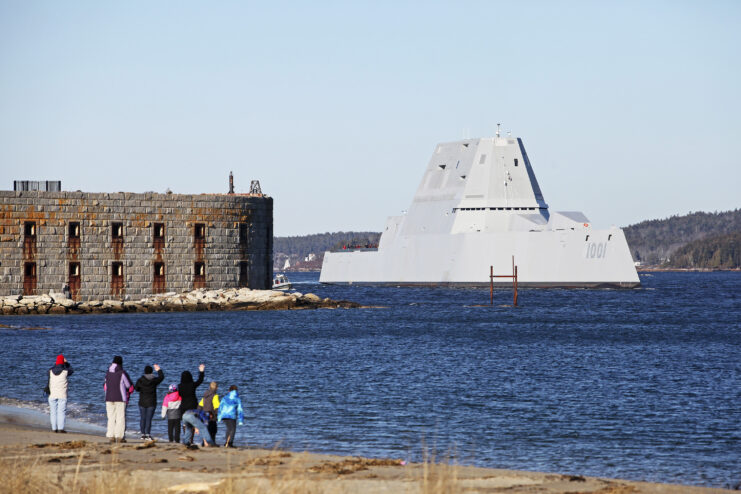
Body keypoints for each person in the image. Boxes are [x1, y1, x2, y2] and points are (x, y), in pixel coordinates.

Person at [178, 364, 215, 447]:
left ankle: (187, 440)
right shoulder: (192, 385)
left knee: (186, 424)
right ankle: (191, 440)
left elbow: (179, 395)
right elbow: (200, 380)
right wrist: (201, 371)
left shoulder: (179, 386)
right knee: (194, 423)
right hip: (192, 406)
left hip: (183, 406)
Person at [104, 355, 133, 443]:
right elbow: (129, 385)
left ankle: (111, 436)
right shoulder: (122, 373)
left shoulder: (107, 373)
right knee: (120, 417)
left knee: (111, 417)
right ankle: (119, 437)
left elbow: (105, 386)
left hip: (108, 397)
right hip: (120, 398)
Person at [134, 364, 164, 440]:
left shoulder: (140, 380)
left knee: (143, 418)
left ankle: (143, 434)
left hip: (142, 401)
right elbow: (162, 377)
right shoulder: (154, 380)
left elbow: (136, 389)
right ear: (151, 372)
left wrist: (142, 389)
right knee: (148, 419)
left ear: (145, 372)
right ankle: (147, 434)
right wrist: (159, 370)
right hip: (151, 402)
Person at [47, 354, 73, 433]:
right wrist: (67, 363)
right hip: (62, 394)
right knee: (61, 411)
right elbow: (71, 370)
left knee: (53, 411)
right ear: (62, 362)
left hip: (52, 394)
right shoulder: (65, 371)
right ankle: (61, 428)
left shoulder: (50, 371)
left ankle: (54, 428)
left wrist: (58, 363)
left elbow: (54, 368)